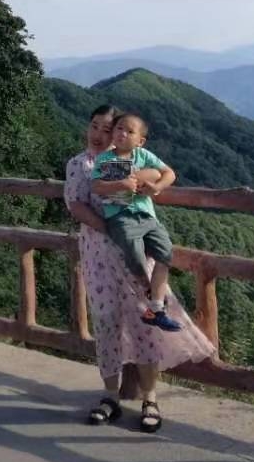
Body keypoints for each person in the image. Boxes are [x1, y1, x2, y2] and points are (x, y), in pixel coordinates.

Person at [65, 105, 215, 434]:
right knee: (106, 322)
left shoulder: (132, 156)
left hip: (136, 251)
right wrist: (110, 228)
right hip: (98, 253)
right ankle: (109, 396)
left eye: (107, 129)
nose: (99, 134)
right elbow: (76, 204)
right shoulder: (79, 164)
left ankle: (150, 397)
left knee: (144, 321)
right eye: (95, 126)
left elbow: (153, 177)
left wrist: (137, 186)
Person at [90, 112, 182, 331]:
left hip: (147, 215)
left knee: (165, 254)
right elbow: (96, 187)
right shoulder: (105, 159)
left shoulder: (144, 155)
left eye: (129, 131)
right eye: (119, 128)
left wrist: (157, 188)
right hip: (120, 216)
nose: (122, 133)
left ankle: (156, 309)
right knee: (136, 256)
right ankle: (151, 295)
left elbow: (169, 173)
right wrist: (120, 185)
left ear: (140, 140)